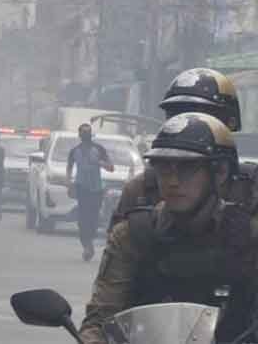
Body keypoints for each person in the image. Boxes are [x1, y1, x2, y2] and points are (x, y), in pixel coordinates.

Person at [79, 113, 258, 344]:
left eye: (187, 169)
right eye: (164, 169)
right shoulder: (132, 235)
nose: (173, 181)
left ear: (220, 173)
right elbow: (101, 319)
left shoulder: (250, 237)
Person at [110, 68, 242, 227]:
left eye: (189, 168)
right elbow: (119, 244)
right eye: (177, 114)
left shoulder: (251, 190)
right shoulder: (142, 188)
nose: (188, 123)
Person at [67, 123, 116, 261]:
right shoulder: (74, 151)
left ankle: (90, 242)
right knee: (82, 219)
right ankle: (87, 245)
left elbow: (111, 168)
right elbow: (69, 168)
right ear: (79, 135)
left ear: (91, 135)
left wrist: (100, 163)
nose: (85, 135)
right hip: (81, 188)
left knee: (93, 218)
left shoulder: (99, 149)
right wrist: (69, 184)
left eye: (88, 132)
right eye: (83, 132)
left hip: (96, 189)